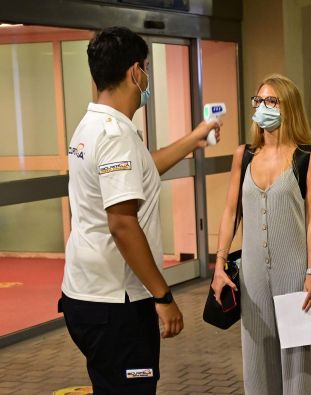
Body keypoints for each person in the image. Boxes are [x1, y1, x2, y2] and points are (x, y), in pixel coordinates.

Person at [59, 26, 220, 394]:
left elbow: (142, 168)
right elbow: (122, 224)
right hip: (116, 305)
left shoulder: (91, 126)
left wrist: (194, 139)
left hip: (84, 295)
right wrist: (163, 297)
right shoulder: (116, 136)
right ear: (135, 72)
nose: (146, 77)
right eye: (145, 68)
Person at [212, 74, 311, 394]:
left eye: (271, 101)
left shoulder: (308, 156)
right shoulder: (245, 155)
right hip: (253, 279)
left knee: (298, 370)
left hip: (295, 277)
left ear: (288, 108)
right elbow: (230, 212)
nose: (262, 107)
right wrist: (220, 264)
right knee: (258, 365)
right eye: (258, 101)